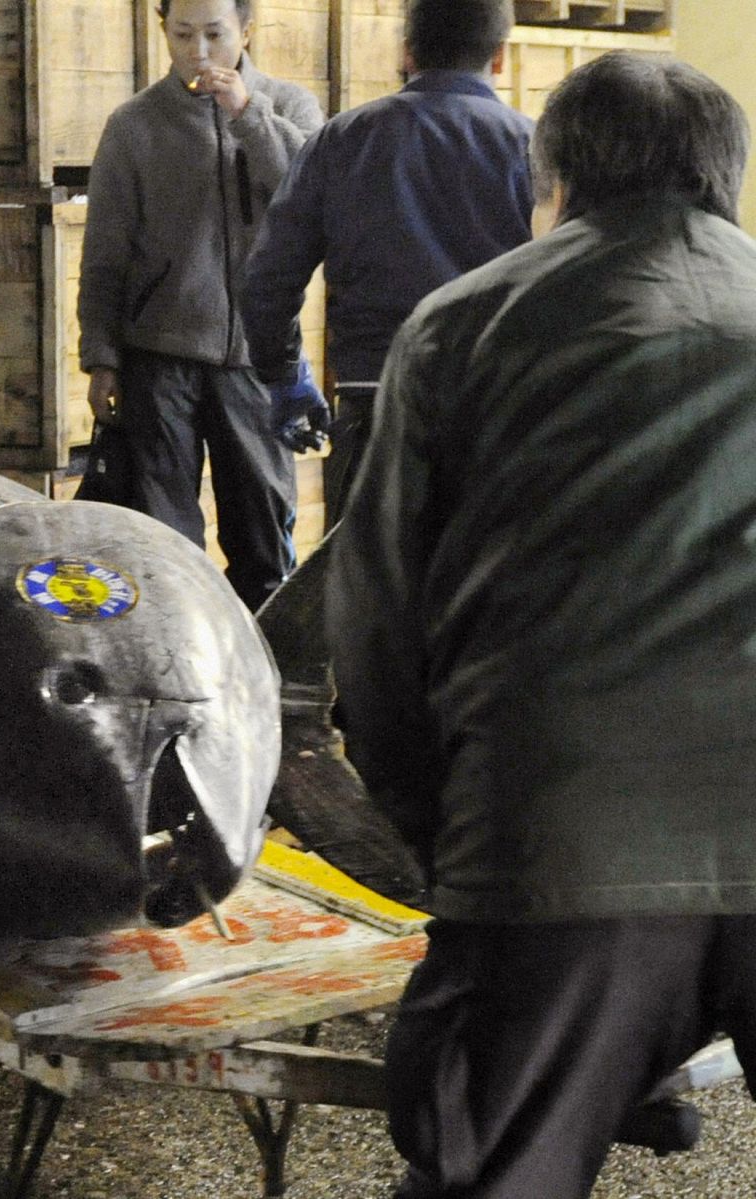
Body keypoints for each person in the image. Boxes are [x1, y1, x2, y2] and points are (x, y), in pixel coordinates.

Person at [328, 51, 756, 1198]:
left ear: (553, 182)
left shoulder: (463, 325)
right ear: (728, 183)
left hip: (564, 832)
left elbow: (374, 628)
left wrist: (453, 845)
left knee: (495, 1167)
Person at [241, 0, 533, 526]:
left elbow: (268, 281)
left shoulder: (343, 139)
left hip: (373, 408)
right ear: (500, 59)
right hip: (495, 419)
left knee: (361, 600)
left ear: (406, 52)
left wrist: (284, 374)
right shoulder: (534, 151)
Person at [76, 0, 323, 612]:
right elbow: (105, 251)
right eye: (182, 34)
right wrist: (101, 357)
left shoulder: (289, 107)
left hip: (257, 361)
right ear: (163, 30)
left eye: (216, 34)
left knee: (263, 540)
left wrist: (247, 114)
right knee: (162, 544)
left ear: (247, 30)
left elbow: (313, 197)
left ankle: (266, 683)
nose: (200, 51)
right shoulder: (134, 124)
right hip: (157, 361)